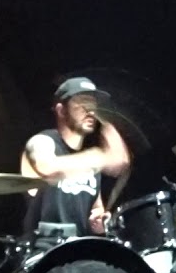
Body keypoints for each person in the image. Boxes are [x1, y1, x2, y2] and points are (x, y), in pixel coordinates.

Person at [18, 77, 130, 255]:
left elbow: (96, 209)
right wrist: (99, 157)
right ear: (61, 110)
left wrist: (99, 221)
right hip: (42, 252)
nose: (91, 111)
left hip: (79, 252)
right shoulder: (43, 141)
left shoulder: (90, 161)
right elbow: (47, 167)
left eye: (93, 104)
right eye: (82, 103)